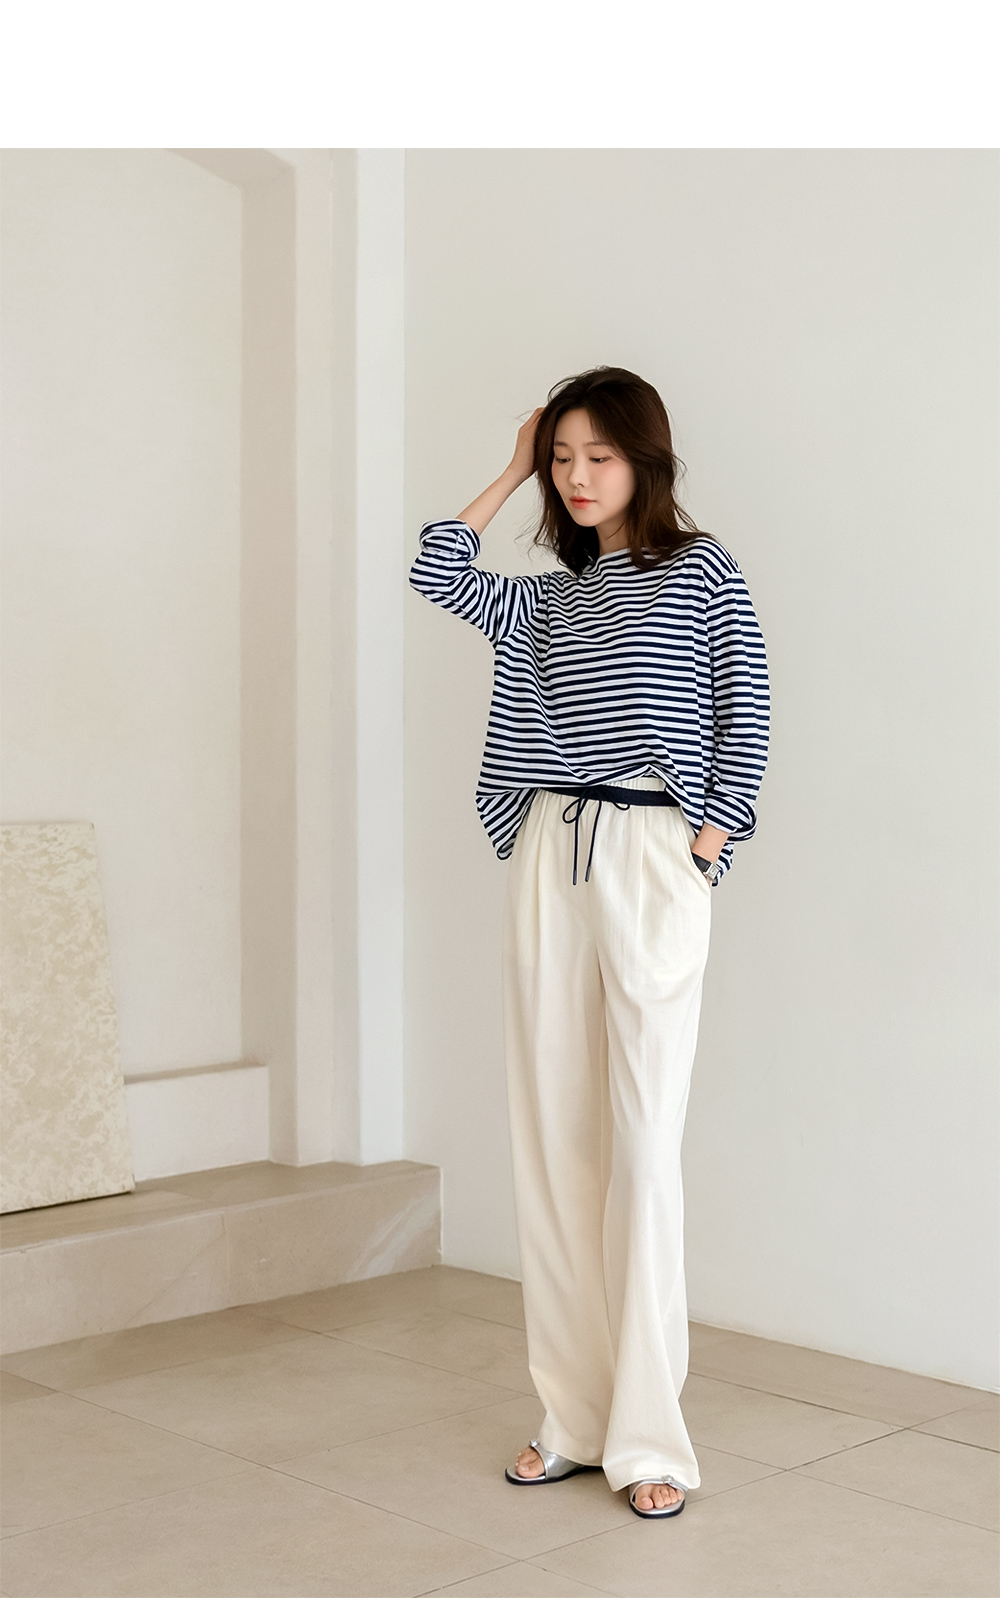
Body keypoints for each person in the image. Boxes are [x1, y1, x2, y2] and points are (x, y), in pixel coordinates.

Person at [409, 365, 770, 1519]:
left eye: (594, 456)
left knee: (642, 1146)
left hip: (654, 853)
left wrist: (709, 841)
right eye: (559, 458)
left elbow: (745, 709)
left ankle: (649, 1438)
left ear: (643, 460)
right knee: (555, 1142)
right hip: (549, 852)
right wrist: (509, 463)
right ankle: (570, 1416)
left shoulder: (701, 570)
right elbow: (435, 567)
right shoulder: (547, 597)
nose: (574, 476)